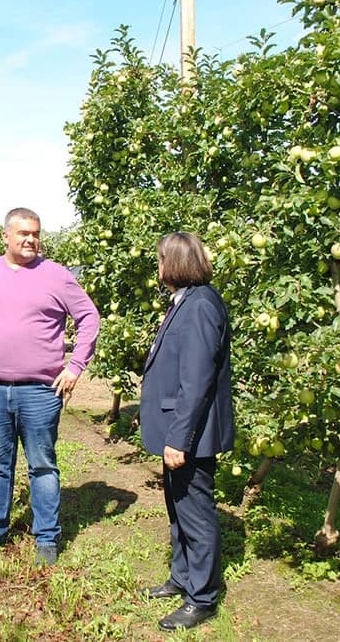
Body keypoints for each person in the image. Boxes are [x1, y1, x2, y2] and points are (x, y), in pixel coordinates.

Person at [0, 208, 100, 566]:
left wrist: (75, 366)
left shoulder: (56, 275)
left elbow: (89, 317)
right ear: (6, 236)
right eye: (23, 233)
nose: (30, 239)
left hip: (40, 391)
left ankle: (46, 538)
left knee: (42, 466)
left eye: (35, 233)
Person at [138, 231, 234, 632]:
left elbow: (196, 382)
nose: (158, 267)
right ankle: (182, 577)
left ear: (173, 263)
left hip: (190, 434)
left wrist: (179, 439)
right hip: (179, 429)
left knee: (195, 515)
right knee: (178, 510)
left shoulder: (200, 307)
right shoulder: (188, 301)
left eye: (161, 259)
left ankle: (203, 597)